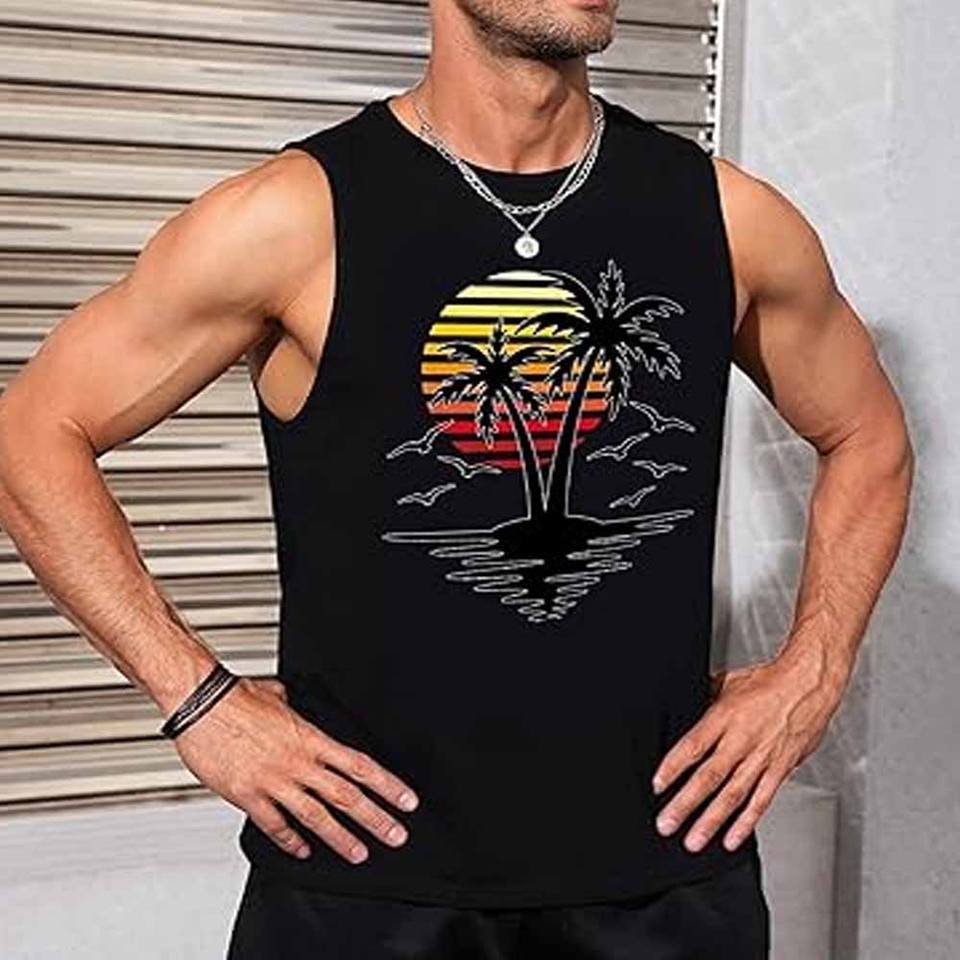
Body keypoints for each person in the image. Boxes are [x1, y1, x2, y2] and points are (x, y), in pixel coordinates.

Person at [0, 1, 912, 957]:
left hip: (666, 885)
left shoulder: (729, 219)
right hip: (365, 888)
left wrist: (815, 672)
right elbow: (35, 432)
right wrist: (198, 700)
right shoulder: (296, 218)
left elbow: (869, 438)